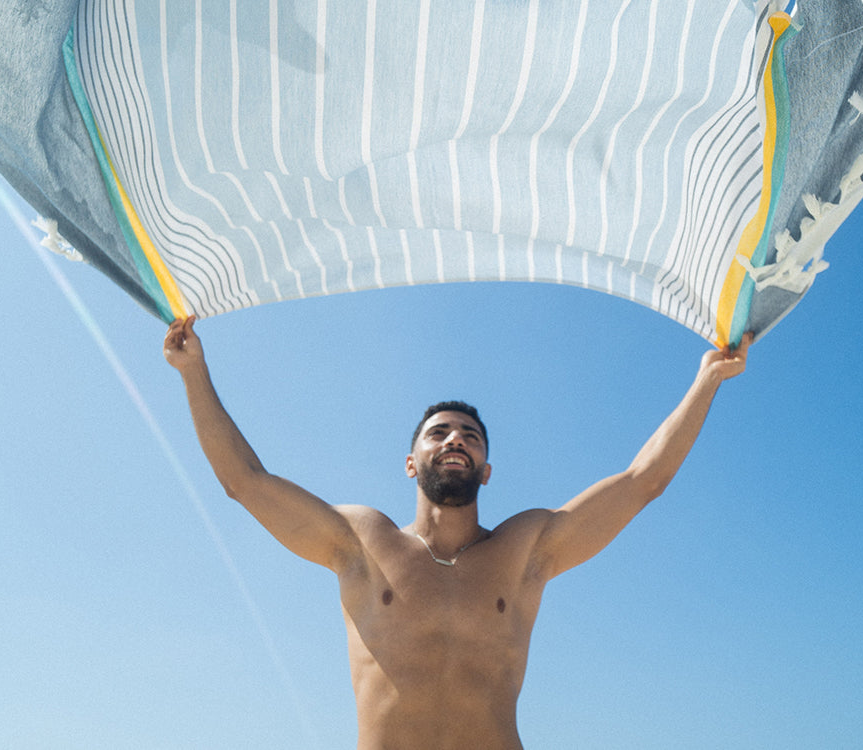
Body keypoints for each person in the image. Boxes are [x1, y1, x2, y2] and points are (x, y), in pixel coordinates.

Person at [164, 315, 750, 750]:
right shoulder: (361, 541)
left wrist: (707, 381)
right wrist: (194, 372)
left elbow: (642, 482)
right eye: (439, 432)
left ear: (486, 469)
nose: (455, 439)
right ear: (411, 463)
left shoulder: (524, 548)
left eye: (470, 436)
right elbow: (245, 482)